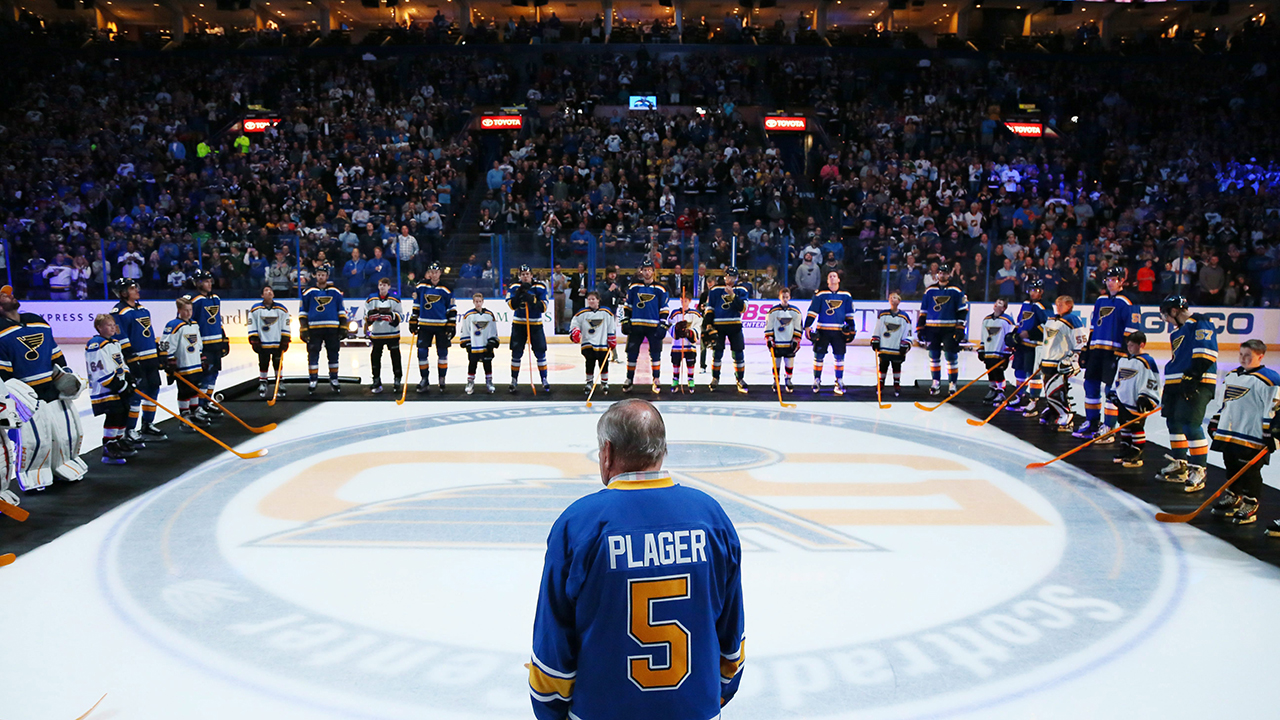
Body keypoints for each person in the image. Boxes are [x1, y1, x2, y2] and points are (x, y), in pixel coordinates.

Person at [529, 399, 745, 720]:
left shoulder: (579, 524)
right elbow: (731, 636)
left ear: (607, 452)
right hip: (695, 710)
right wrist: (715, 694)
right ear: (662, 450)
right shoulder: (711, 516)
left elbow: (553, 645)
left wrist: (551, 710)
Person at [1208, 340, 1280, 529]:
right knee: (1230, 464)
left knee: (1250, 471)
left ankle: (1251, 501)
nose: (1243, 358)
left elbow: (1276, 409)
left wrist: (1274, 434)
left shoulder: (1271, 380)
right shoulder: (1232, 375)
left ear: (1260, 356)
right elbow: (1226, 403)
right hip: (1231, 432)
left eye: (1248, 355)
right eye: (1241, 354)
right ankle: (1234, 495)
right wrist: (1217, 421)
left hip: (1254, 435)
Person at [1156, 295, 1218, 491]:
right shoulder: (1177, 332)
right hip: (1176, 383)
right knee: (1173, 422)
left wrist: (1193, 375)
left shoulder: (1200, 322)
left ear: (1174, 311)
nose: (1165, 320)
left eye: (1166, 315)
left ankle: (1199, 468)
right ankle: (1180, 463)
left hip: (1197, 381)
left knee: (1191, 424)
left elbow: (1206, 353)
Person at [1077, 267, 1139, 441]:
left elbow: (1132, 330)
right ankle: (1092, 421)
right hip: (1097, 350)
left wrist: (1126, 352)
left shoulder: (1128, 301)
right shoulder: (1100, 300)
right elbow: (1093, 326)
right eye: (1108, 279)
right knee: (1090, 385)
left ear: (1121, 281)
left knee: (1111, 390)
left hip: (1115, 352)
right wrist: (1086, 349)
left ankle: (1109, 427)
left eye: (1113, 279)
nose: (1110, 282)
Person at [110, 279, 167, 443]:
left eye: (136, 287)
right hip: (136, 359)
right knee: (136, 394)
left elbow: (148, 332)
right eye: (132, 288)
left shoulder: (143, 309)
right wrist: (131, 358)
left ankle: (148, 424)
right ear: (123, 293)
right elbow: (120, 336)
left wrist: (158, 351)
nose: (136, 290)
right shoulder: (118, 313)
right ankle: (130, 429)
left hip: (150, 358)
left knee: (153, 389)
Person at [86, 313, 137, 465]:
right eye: (108, 325)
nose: (112, 328)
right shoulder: (96, 344)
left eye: (114, 325)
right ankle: (108, 446)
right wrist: (118, 385)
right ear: (99, 328)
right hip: (106, 389)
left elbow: (120, 363)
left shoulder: (115, 343)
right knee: (114, 415)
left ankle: (118, 441)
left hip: (119, 386)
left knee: (123, 412)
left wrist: (128, 377)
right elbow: (100, 369)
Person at [1109, 331, 1161, 468]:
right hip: (1123, 399)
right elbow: (1118, 378)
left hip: (1136, 400)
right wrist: (1114, 392)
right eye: (1128, 345)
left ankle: (1137, 451)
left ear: (1141, 345)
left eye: (1132, 345)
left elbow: (1151, 380)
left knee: (1136, 425)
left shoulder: (1146, 362)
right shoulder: (1123, 360)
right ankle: (1125, 447)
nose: (1129, 348)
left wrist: (1146, 397)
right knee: (1124, 423)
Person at [1034, 295, 1084, 432]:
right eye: (1057, 304)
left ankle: (1065, 413)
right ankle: (1053, 410)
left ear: (1069, 306)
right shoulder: (1051, 320)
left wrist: (1073, 360)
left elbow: (1080, 342)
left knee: (1056, 389)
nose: (1058, 307)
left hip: (1059, 361)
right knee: (1049, 390)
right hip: (1047, 360)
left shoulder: (1072, 320)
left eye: (1062, 304)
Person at [917, 263, 968, 396]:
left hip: (949, 328)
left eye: (945, 272)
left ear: (949, 274)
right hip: (932, 328)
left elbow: (962, 311)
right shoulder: (929, 290)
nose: (942, 275)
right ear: (937, 274)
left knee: (950, 355)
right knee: (933, 356)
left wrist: (960, 328)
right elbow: (923, 311)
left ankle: (952, 383)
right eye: (940, 272)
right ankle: (935, 382)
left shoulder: (956, 290)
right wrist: (920, 327)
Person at [620, 260, 670, 395]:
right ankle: (629, 379)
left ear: (653, 271)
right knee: (631, 353)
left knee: (655, 353)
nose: (647, 272)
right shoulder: (634, 286)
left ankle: (656, 378)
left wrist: (663, 324)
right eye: (645, 270)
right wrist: (625, 320)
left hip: (653, 326)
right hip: (636, 324)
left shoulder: (661, 288)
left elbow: (664, 308)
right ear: (641, 271)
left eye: (649, 269)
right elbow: (628, 305)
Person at [159, 296, 209, 429]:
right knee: (184, 391)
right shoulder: (174, 325)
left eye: (190, 310)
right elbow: (166, 344)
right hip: (183, 365)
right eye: (185, 310)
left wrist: (201, 357)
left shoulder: (194, 324)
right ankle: (184, 415)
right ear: (179, 310)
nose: (188, 313)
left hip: (195, 364)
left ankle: (194, 411)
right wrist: (169, 361)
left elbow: (198, 343)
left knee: (194, 389)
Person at [804, 271, 856, 395]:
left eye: (834, 276)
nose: (832, 278)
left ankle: (839, 380)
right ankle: (816, 380)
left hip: (838, 331)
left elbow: (849, 313)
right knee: (818, 356)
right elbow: (813, 311)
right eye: (830, 276)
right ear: (827, 281)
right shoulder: (821, 294)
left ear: (839, 279)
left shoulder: (846, 295)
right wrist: (807, 326)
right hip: (823, 330)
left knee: (839, 357)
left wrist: (852, 328)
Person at [299, 264, 347, 395]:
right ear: (316, 276)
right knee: (313, 354)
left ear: (327, 276)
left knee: (333, 354)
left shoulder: (336, 292)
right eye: (319, 274)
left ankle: (334, 379)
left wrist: (343, 326)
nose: (321, 277)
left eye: (323, 275)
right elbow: (303, 312)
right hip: (314, 329)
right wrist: (303, 328)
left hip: (332, 329)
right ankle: (313, 380)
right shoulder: (308, 292)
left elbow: (341, 311)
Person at [409, 262, 456, 394]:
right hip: (425, 325)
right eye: (432, 272)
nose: (434, 274)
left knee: (442, 353)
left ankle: (442, 378)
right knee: (422, 352)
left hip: (441, 325)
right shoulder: (421, 286)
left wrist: (451, 324)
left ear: (440, 273)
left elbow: (451, 307)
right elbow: (416, 304)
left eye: (436, 272)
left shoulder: (446, 288)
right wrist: (413, 319)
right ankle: (424, 379)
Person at [189, 269, 229, 418]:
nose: (209, 283)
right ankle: (198, 406)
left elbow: (218, 320)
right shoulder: (193, 300)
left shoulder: (215, 298)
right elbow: (189, 323)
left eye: (209, 280)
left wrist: (224, 338)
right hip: (203, 345)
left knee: (214, 373)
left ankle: (206, 401)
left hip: (216, 343)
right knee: (203, 376)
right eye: (205, 281)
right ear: (198, 283)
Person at [703, 267, 750, 393]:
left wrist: (733, 295)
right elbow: (710, 308)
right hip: (719, 325)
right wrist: (707, 323)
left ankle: (740, 379)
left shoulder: (742, 290)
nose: (730, 279)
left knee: (738, 353)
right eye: (728, 276)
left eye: (733, 277)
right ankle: (715, 378)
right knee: (717, 353)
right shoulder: (715, 290)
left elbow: (743, 308)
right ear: (724, 277)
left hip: (735, 325)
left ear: (737, 278)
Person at [1008, 279, 1051, 414]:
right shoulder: (1026, 304)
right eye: (1031, 290)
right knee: (1019, 371)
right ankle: (1021, 396)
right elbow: (1021, 322)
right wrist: (1015, 334)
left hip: (1035, 346)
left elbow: (1048, 325)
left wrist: (1030, 333)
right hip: (1023, 345)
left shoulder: (1044, 305)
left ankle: (1034, 401)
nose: (1033, 293)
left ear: (1042, 292)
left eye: (1036, 290)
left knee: (1033, 374)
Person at [508, 265, 551, 394]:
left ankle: (544, 379)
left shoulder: (540, 287)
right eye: (522, 274)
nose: (525, 276)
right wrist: (519, 296)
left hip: (535, 325)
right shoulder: (514, 287)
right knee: (516, 353)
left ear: (532, 275)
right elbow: (511, 305)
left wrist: (532, 300)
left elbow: (543, 307)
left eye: (527, 274)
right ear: (519, 276)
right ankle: (514, 380)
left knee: (540, 352)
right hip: (519, 325)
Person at [247, 285, 290, 400]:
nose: (269, 292)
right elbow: (252, 324)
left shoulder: (282, 309)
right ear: (262, 295)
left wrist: (285, 339)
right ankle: (263, 382)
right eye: (266, 290)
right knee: (263, 362)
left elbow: (285, 324)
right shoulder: (255, 309)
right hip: (263, 342)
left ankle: (279, 381)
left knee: (278, 363)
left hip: (277, 342)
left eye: (271, 290)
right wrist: (254, 338)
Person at [571, 291, 617, 395]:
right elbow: (575, 323)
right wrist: (575, 331)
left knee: (604, 363)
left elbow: (611, 326)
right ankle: (589, 382)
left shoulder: (606, 312)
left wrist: (611, 338)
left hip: (603, 342)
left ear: (598, 300)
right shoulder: (582, 313)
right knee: (589, 363)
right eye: (589, 299)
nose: (591, 301)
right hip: (588, 342)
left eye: (593, 299)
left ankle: (604, 382)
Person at [366, 277, 404, 395]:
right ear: (378, 286)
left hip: (392, 334)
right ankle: (376, 379)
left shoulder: (395, 299)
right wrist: (370, 317)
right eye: (380, 285)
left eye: (384, 285)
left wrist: (392, 316)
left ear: (388, 287)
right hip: (377, 334)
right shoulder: (371, 299)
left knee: (395, 356)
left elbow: (401, 316)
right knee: (375, 356)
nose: (382, 287)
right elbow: (366, 315)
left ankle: (397, 379)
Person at [871, 291, 912, 397]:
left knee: (896, 366)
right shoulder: (883, 314)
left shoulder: (904, 316)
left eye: (895, 297)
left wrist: (905, 343)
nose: (892, 299)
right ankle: (880, 384)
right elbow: (878, 328)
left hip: (897, 347)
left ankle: (897, 385)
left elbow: (908, 331)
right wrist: (876, 339)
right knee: (883, 366)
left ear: (899, 301)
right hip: (885, 346)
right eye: (891, 298)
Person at [459, 292, 500, 395]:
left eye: (479, 301)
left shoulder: (489, 315)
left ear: (483, 302)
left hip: (485, 344)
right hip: (474, 345)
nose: (478, 303)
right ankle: (470, 383)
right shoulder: (468, 315)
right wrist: (467, 343)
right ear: (473, 302)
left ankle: (489, 382)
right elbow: (465, 330)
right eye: (476, 301)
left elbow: (493, 329)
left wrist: (492, 341)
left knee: (487, 363)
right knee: (472, 364)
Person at [765, 286, 803, 393]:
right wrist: (769, 338)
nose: (785, 299)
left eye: (787, 297)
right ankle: (775, 380)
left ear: (790, 297)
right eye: (783, 297)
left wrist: (796, 340)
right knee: (776, 363)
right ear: (779, 297)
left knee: (789, 362)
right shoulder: (773, 311)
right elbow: (769, 326)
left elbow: (798, 326)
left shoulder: (795, 311)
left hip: (789, 342)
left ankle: (788, 379)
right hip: (777, 343)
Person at [978, 298, 1015, 404]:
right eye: (996, 302)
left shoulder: (1007, 320)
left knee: (998, 371)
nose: (996, 305)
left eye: (999, 303)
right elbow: (983, 335)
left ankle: (1000, 391)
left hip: (1000, 351)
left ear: (1004, 308)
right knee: (990, 370)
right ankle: (993, 388)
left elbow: (1009, 336)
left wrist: (1007, 352)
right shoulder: (986, 319)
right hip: (989, 350)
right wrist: (982, 348)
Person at [667, 293, 701, 394]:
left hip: (689, 345)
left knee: (690, 363)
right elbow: (669, 325)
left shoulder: (695, 314)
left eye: (685, 300)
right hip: (677, 344)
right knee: (676, 362)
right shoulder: (675, 313)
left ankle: (691, 381)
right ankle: (675, 381)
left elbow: (698, 327)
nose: (683, 302)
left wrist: (689, 333)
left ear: (690, 301)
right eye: (682, 300)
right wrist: (676, 329)